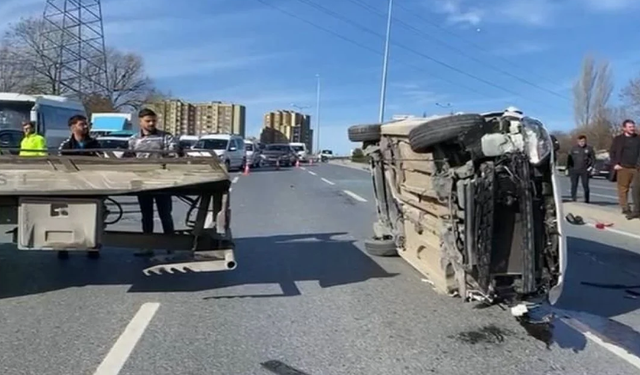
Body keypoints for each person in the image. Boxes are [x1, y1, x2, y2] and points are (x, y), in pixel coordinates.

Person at [128, 108, 179, 256]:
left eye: (153, 121)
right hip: (143, 183)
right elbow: (128, 159)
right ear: (140, 121)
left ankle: (171, 246)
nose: (151, 123)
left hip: (162, 182)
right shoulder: (133, 140)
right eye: (148, 121)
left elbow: (174, 155)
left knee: (165, 214)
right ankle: (147, 246)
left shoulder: (166, 137)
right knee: (146, 215)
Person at [57, 114, 103, 260]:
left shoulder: (95, 144)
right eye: (81, 124)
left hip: (91, 186)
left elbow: (102, 162)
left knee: (92, 217)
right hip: (71, 187)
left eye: (86, 124)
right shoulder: (65, 145)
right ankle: (63, 247)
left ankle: (92, 246)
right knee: (67, 217)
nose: (85, 127)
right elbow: (59, 165)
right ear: (72, 127)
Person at [609, 119, 639, 214]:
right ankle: (625, 208)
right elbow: (612, 152)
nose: (632, 128)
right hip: (623, 168)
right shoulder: (618, 139)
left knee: (637, 189)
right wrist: (615, 164)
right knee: (623, 189)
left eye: (633, 126)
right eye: (630, 127)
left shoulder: (638, 139)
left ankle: (637, 209)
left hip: (637, 168)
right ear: (624, 128)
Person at [567, 134, 594, 203]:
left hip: (584, 170)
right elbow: (569, 160)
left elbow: (593, 159)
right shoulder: (573, 148)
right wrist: (568, 168)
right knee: (574, 185)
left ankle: (587, 199)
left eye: (583, 141)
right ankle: (573, 198)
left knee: (585, 185)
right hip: (574, 170)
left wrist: (590, 167)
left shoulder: (589, 149)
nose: (582, 143)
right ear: (578, 141)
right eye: (580, 141)